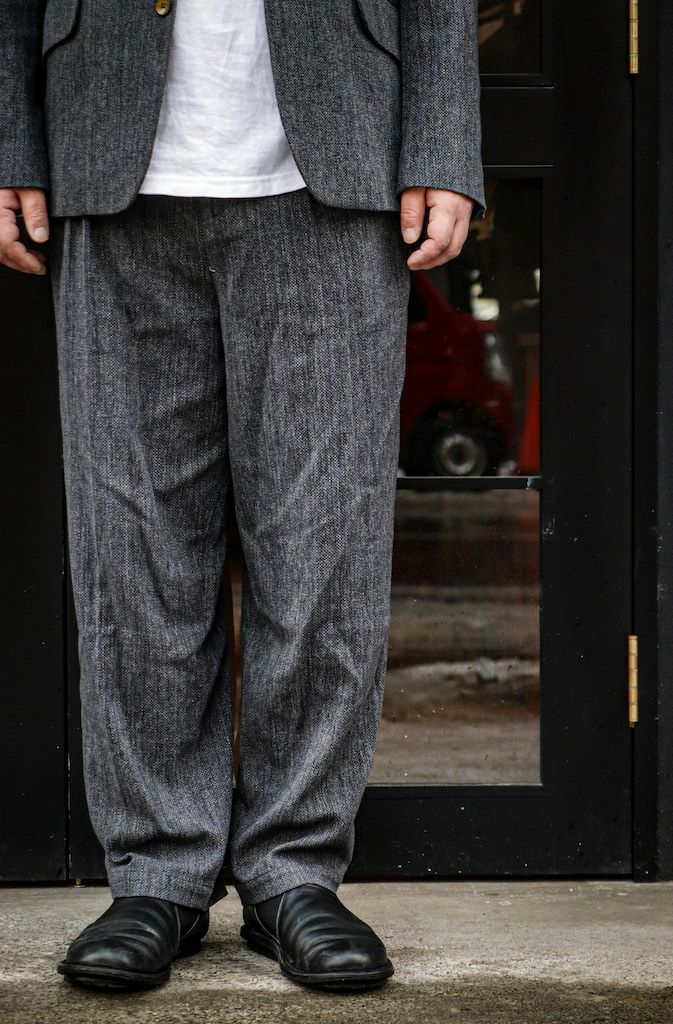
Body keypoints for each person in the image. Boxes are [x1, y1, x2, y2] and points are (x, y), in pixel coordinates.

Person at [0, 0, 485, 994]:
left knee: (323, 546)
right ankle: (157, 871)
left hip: (334, 164)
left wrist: (441, 143)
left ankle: (293, 870)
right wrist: (10, 135)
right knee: (131, 546)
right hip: (107, 156)